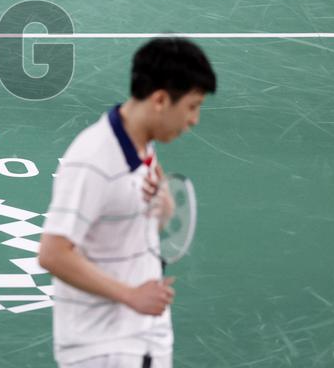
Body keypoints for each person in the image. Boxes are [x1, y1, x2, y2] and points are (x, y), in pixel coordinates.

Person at [38, 37, 217, 368]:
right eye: (192, 106)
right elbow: (53, 254)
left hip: (143, 336)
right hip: (104, 347)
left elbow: (133, 226)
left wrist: (162, 207)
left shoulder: (142, 145)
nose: (194, 120)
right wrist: (131, 295)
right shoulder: (92, 159)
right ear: (160, 99)